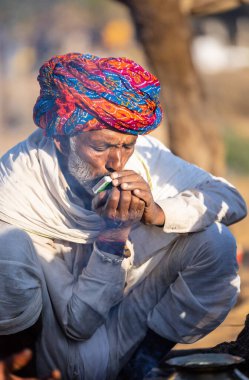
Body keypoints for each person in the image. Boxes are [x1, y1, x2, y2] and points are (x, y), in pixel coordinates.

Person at [0, 53, 247, 380]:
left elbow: (230, 201)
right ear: (61, 141)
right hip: (53, 346)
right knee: (9, 247)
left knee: (214, 242)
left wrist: (156, 212)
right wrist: (113, 239)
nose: (118, 162)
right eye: (102, 147)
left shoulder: (144, 156)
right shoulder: (18, 184)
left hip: (125, 328)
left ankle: (142, 366)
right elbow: (78, 325)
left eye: (127, 146)